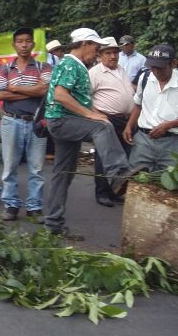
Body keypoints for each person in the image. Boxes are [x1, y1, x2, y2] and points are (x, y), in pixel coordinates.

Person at [44, 28, 132, 236]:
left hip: (67, 121)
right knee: (102, 127)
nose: (98, 51)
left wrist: (94, 112)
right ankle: (118, 174)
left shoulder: (79, 66)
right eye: (96, 47)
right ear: (84, 44)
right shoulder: (69, 64)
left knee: (63, 174)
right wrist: (91, 116)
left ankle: (53, 222)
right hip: (61, 120)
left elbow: (83, 100)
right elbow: (60, 95)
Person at [0, 28, 53, 220]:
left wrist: (15, 88)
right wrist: (32, 89)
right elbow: (1, 94)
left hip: (36, 122)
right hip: (11, 121)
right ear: (14, 45)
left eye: (27, 41)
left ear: (33, 45)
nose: (24, 44)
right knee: (9, 166)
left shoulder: (43, 67)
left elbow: (45, 91)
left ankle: (34, 207)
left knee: (36, 168)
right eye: (20, 41)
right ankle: (11, 205)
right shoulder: (4, 69)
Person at [89, 37, 134, 206]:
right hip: (107, 119)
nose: (113, 56)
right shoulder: (95, 72)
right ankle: (102, 193)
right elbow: (85, 97)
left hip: (125, 120)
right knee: (104, 157)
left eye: (115, 52)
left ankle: (115, 191)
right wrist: (96, 114)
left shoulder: (121, 69)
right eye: (108, 53)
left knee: (122, 157)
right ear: (100, 55)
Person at [123, 44, 178, 172]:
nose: (156, 72)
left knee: (168, 186)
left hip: (172, 143)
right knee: (136, 181)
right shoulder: (145, 78)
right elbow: (138, 105)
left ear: (173, 63)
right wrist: (129, 126)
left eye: (161, 68)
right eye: (153, 67)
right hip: (143, 141)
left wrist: (169, 125)